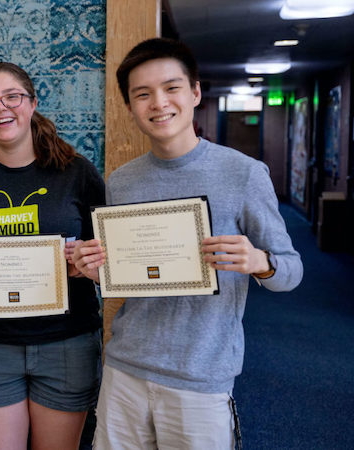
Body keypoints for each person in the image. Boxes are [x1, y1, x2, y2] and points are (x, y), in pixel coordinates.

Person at [73, 38, 303, 450]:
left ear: (195, 92)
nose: (158, 103)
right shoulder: (122, 181)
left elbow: (290, 271)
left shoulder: (244, 174)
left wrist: (259, 261)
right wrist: (97, 271)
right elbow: (128, 273)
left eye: (171, 87)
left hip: (200, 379)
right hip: (125, 367)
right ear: (129, 106)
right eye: (142, 94)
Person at [0, 62, 106, 450]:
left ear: (32, 103)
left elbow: (109, 257)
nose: (1, 108)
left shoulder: (77, 173)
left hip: (66, 342)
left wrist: (89, 263)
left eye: (12, 97)